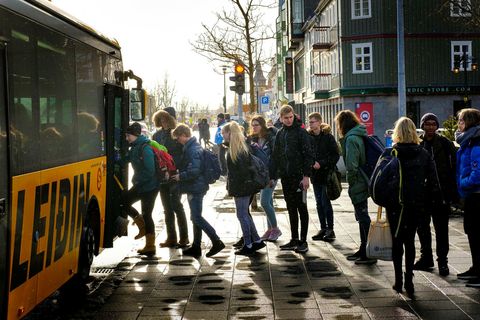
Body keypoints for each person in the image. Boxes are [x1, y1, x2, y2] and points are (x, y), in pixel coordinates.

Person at [383, 117, 435, 296]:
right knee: (410, 241)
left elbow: (384, 180)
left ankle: (398, 280)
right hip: (415, 204)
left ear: (397, 132)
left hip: (395, 204)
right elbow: (432, 180)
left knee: (397, 242)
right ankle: (409, 280)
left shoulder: (392, 153)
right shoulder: (423, 153)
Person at [171, 124, 225, 258]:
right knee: (196, 216)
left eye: (178, 138)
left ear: (184, 135)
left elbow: (194, 170)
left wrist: (180, 176)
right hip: (196, 186)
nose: (177, 140)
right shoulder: (192, 147)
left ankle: (216, 241)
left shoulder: (193, 149)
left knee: (196, 217)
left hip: (195, 187)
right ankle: (196, 246)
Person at [414, 113, 457, 276]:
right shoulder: (418, 143)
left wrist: (452, 193)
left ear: (437, 126)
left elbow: (454, 167)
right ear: (423, 126)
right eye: (427, 124)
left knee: (441, 229)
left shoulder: (445, 143)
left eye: (433, 124)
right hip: (422, 194)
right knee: (422, 228)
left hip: (441, 193)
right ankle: (426, 258)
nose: (430, 127)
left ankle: (443, 262)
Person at [334, 110, 376, 265]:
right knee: (361, 215)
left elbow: (351, 165)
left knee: (362, 216)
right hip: (362, 179)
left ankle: (367, 252)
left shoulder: (351, 139)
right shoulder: (358, 134)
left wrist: (351, 181)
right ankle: (363, 248)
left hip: (358, 180)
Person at [271, 105, 314, 253]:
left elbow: (308, 155)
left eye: (291, 117)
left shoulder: (301, 132)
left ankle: (303, 241)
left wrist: (306, 176)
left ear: (293, 116)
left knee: (302, 208)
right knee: (291, 208)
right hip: (286, 177)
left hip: (300, 177)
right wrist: (272, 175)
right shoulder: (280, 134)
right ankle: (294, 238)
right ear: (281, 118)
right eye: (286, 118)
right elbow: (275, 156)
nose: (289, 120)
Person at [222, 121, 266, 255]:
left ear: (230, 133)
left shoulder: (236, 150)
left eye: (223, 132)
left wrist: (236, 187)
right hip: (246, 186)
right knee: (245, 214)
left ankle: (248, 244)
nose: (222, 134)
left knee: (242, 215)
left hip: (242, 187)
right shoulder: (241, 147)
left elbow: (239, 173)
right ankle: (257, 241)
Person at [152, 108, 190, 248]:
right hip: (162, 176)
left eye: (165, 118)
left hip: (174, 175)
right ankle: (171, 238)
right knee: (167, 208)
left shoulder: (177, 135)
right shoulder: (156, 135)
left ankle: (184, 237)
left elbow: (184, 155)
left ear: (171, 119)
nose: (163, 122)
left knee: (177, 206)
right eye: (161, 119)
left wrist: (175, 169)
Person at [121, 122, 159, 255]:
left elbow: (150, 171)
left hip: (150, 186)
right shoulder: (135, 147)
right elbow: (128, 159)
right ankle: (141, 225)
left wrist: (136, 180)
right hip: (141, 185)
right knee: (124, 202)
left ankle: (150, 246)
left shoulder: (145, 147)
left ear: (136, 135)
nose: (127, 138)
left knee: (147, 214)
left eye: (128, 136)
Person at [455, 108, 480, 287]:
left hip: (477, 195)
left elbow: (478, 172)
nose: (459, 124)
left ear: (469, 122)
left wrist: (463, 183)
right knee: (472, 233)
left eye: (461, 121)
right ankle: (476, 268)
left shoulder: (476, 142)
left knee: (476, 233)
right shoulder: (469, 141)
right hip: (471, 195)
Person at [248, 115, 282, 242]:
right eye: (252, 125)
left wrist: (272, 177)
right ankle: (269, 230)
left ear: (262, 125)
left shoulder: (271, 138)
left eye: (256, 125)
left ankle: (275, 229)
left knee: (264, 202)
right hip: (261, 176)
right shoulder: (253, 139)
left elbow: (275, 159)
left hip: (271, 175)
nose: (254, 127)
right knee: (269, 203)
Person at [308, 112, 340, 242]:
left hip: (326, 175)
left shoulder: (328, 137)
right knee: (318, 203)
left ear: (319, 122)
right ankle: (322, 228)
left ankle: (330, 229)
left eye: (313, 122)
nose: (311, 124)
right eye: (310, 122)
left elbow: (335, 155)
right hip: (315, 176)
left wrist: (321, 163)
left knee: (325, 203)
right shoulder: (308, 137)